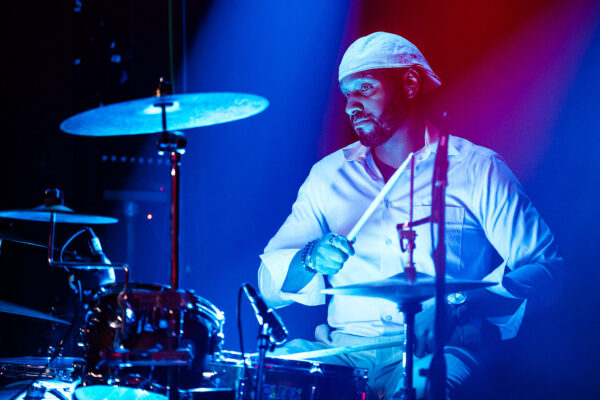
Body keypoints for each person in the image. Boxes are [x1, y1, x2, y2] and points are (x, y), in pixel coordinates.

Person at [258, 32, 563, 399]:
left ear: (411, 83)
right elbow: (269, 286)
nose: (351, 105)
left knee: (421, 390)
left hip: (442, 349)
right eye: (347, 95)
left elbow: (548, 270)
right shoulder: (328, 176)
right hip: (345, 352)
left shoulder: (477, 168)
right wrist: (309, 258)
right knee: (273, 376)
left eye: (365, 88)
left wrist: (455, 306)